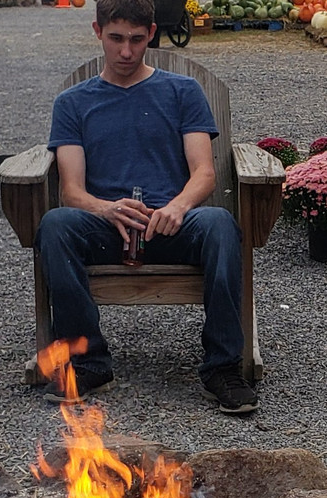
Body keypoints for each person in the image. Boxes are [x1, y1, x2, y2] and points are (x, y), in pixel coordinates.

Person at [34, 0, 258, 414]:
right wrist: (105, 209)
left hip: (170, 224)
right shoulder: (73, 103)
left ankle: (222, 368)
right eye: (116, 38)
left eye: (136, 40)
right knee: (56, 224)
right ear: (97, 32)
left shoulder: (182, 91)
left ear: (151, 34)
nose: (126, 51)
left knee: (220, 224)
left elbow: (204, 174)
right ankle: (88, 362)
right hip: (107, 228)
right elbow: (72, 191)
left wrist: (177, 207)